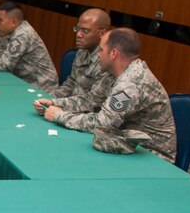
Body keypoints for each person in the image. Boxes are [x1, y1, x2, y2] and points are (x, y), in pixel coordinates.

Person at [35, 28, 176, 162]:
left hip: (151, 157)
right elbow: (90, 100)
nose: (98, 55)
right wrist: (55, 103)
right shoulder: (115, 73)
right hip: (126, 145)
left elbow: (103, 123)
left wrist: (59, 116)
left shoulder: (130, 84)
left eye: (101, 50)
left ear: (113, 53)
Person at [45, 8, 113, 111]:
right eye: (77, 29)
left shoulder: (106, 60)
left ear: (102, 33)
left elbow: (92, 102)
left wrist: (58, 105)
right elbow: (71, 82)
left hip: (86, 114)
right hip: (70, 106)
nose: (78, 34)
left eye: (85, 31)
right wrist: (51, 98)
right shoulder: (82, 51)